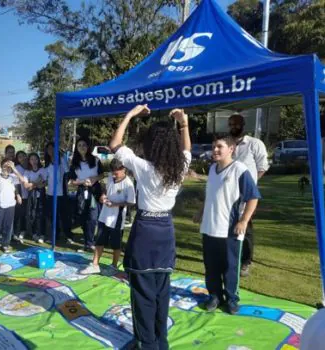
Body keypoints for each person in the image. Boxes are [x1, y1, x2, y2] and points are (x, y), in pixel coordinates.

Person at [109, 104, 192, 350]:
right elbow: (187, 149)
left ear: (152, 144)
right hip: (165, 230)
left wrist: (130, 115)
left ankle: (147, 344)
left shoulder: (144, 168)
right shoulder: (180, 168)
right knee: (160, 291)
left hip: (146, 229)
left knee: (143, 294)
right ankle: (159, 342)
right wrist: (184, 124)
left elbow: (114, 144)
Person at [194, 135, 260, 315]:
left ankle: (232, 299)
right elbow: (210, 194)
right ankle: (215, 296)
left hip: (229, 230)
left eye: (219, 147)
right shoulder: (212, 169)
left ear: (231, 149)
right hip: (209, 228)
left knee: (230, 267)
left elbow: (253, 197)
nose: (215, 150)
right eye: (214, 146)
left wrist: (244, 221)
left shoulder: (239, 170)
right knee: (211, 266)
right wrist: (201, 211)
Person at [228, 114, 269, 277]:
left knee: (246, 227)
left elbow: (263, 167)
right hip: (227, 194)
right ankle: (231, 257)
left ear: (243, 125)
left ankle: (246, 262)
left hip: (246, 196)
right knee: (228, 226)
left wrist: (250, 185)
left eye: (236, 124)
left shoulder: (254, 144)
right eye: (230, 124)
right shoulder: (226, 143)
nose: (233, 127)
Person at [80, 159, 135, 274]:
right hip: (104, 214)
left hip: (117, 217)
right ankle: (95, 264)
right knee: (99, 239)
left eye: (116, 172)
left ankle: (114, 265)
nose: (114, 175)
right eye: (113, 172)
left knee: (116, 243)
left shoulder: (128, 184)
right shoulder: (110, 177)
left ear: (123, 169)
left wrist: (115, 204)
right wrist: (103, 196)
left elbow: (131, 202)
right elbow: (106, 189)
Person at [69, 138, 105, 252]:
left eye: (84, 145)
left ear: (88, 147)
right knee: (83, 217)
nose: (82, 147)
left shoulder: (95, 160)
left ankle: (91, 242)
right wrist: (82, 182)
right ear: (77, 148)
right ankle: (87, 242)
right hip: (82, 192)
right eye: (79, 145)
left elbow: (102, 174)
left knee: (93, 217)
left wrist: (94, 178)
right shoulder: (74, 163)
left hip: (94, 191)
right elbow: (71, 181)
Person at [44, 141, 74, 244]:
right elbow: (45, 177)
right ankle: (54, 235)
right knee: (52, 216)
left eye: (52, 148)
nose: (51, 151)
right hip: (51, 193)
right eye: (49, 149)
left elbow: (67, 172)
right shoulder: (47, 163)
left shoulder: (61, 160)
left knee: (64, 215)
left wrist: (61, 157)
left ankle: (68, 235)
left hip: (61, 194)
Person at [23, 152, 47, 243]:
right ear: (29, 161)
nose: (34, 161)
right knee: (32, 214)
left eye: (35, 159)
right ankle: (34, 233)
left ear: (38, 160)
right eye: (32, 159)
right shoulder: (27, 172)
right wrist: (37, 182)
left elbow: (44, 183)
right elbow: (26, 186)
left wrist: (32, 184)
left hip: (41, 195)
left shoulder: (42, 170)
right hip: (31, 195)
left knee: (41, 214)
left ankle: (42, 234)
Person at [13, 151, 28, 242]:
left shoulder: (29, 167)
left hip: (29, 194)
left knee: (26, 214)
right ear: (17, 159)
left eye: (23, 156)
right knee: (18, 214)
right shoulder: (17, 168)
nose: (22, 158)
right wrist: (18, 195)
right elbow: (16, 184)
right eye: (19, 157)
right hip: (20, 195)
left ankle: (23, 231)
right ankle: (15, 232)